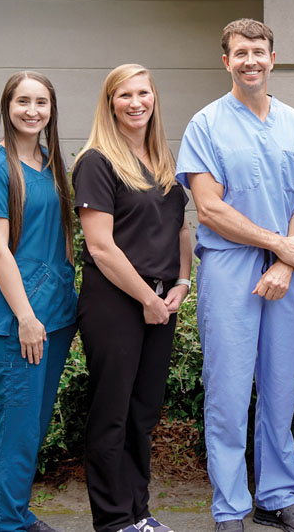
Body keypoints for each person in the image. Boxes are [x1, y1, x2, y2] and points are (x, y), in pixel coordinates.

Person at [175, 18, 294, 532]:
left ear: (272, 57)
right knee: (229, 388)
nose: (250, 61)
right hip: (229, 267)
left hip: (285, 269)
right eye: (240, 53)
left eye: (258, 51)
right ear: (226, 61)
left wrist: (287, 262)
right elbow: (209, 207)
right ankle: (230, 508)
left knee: (281, 386)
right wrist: (276, 245)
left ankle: (277, 496)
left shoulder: (293, 121)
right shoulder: (206, 124)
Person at [72, 64, 192, 532]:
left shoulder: (162, 160)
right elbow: (101, 246)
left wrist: (182, 282)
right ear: (110, 103)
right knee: (112, 413)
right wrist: (147, 297)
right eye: (125, 95)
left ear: (154, 99)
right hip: (116, 302)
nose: (136, 102)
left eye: (144, 93)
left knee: (142, 413)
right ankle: (113, 519)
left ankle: (139, 512)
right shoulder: (97, 162)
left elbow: (180, 227)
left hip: (161, 303)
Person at [0, 71, 77, 532]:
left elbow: (63, 234)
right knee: (16, 429)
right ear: (7, 107)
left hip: (56, 314)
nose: (32, 111)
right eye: (23, 102)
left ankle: (18, 513)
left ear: (51, 109)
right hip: (19, 320)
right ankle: (8, 525)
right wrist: (26, 317)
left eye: (41, 102)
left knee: (34, 426)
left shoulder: (54, 162)